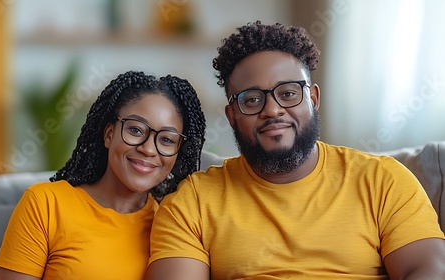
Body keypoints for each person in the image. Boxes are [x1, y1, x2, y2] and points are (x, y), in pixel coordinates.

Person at [145, 21, 445, 279]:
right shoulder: (192, 200)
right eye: (252, 100)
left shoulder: (384, 180)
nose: (273, 110)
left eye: (288, 93)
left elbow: (429, 269)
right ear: (232, 115)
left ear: (313, 99)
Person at [0, 70, 206, 280]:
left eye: (167, 140)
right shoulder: (45, 204)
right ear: (109, 134)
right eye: (136, 130)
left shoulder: (176, 224)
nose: (149, 149)